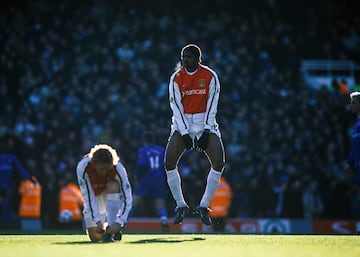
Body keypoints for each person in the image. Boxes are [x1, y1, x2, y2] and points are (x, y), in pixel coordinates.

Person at [164, 44, 225, 226]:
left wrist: (206, 129)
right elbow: (176, 107)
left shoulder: (210, 76)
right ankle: (180, 205)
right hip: (183, 123)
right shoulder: (176, 78)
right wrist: (184, 133)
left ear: (199, 58)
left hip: (205, 121)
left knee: (219, 162)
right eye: (184, 57)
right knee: (168, 162)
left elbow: (212, 105)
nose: (186, 60)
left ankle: (204, 205)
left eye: (190, 57)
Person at [76, 144, 132, 242]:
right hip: (95, 198)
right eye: (101, 169)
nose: (104, 172)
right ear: (94, 164)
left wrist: (119, 221)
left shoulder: (118, 168)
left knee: (112, 185)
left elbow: (127, 196)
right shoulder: (83, 167)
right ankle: (110, 231)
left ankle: (111, 227)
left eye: (107, 169)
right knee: (95, 237)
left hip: (110, 196)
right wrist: (97, 220)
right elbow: (88, 196)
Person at [131, 131, 169, 232]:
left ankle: (123, 222)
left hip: (146, 178)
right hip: (159, 179)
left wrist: (137, 177)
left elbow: (141, 165)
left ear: (144, 140)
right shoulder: (161, 150)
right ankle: (164, 221)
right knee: (159, 202)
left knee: (135, 200)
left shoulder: (143, 150)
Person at [0, 140, 31, 229]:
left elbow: (20, 169)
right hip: (3, 184)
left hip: (9, 185)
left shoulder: (12, 158)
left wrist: (28, 177)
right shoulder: (10, 158)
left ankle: (6, 222)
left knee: (7, 202)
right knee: (6, 202)